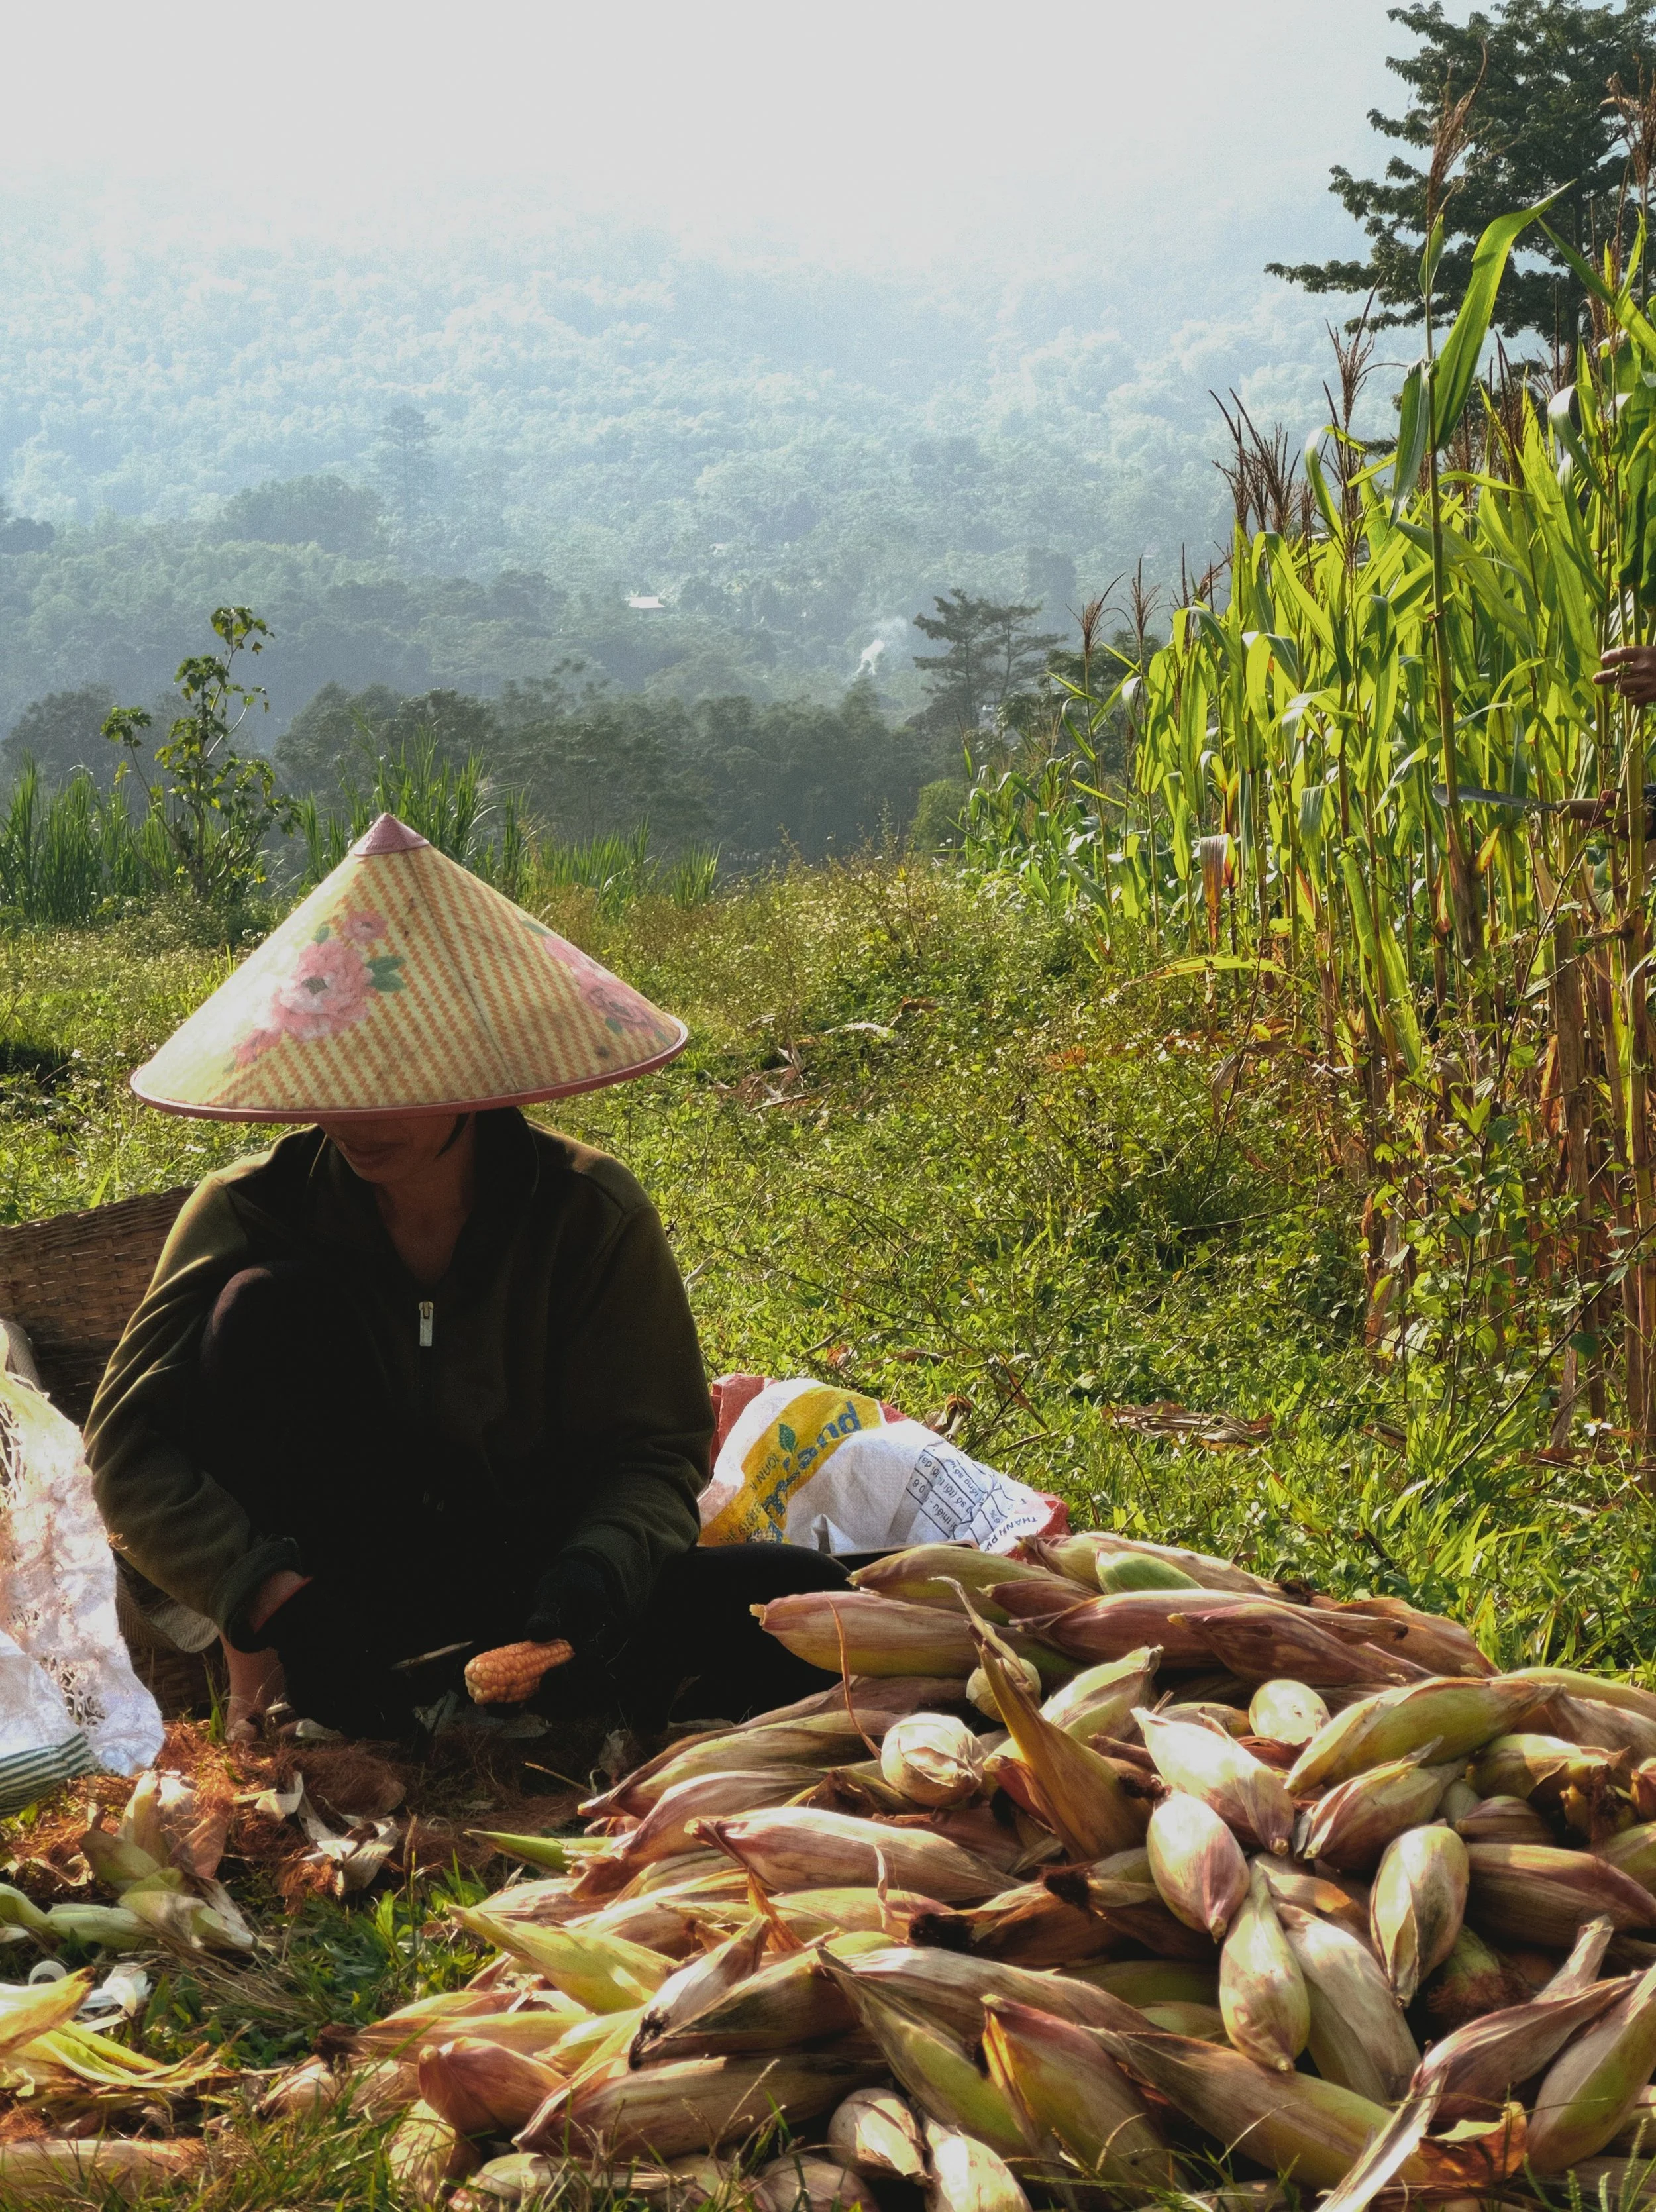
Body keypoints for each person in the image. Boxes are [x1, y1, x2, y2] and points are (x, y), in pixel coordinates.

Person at [86, 814, 847, 1740]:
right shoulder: (250, 1211)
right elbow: (126, 1446)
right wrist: (270, 1593)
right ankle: (330, 1681)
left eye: (401, 1077)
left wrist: (595, 1572)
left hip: (533, 1571)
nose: (363, 1116)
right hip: (336, 1581)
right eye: (338, 1076)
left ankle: (522, 1687)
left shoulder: (588, 1213)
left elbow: (657, 1453)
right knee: (258, 1310)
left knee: (799, 1601)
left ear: (475, 1071)